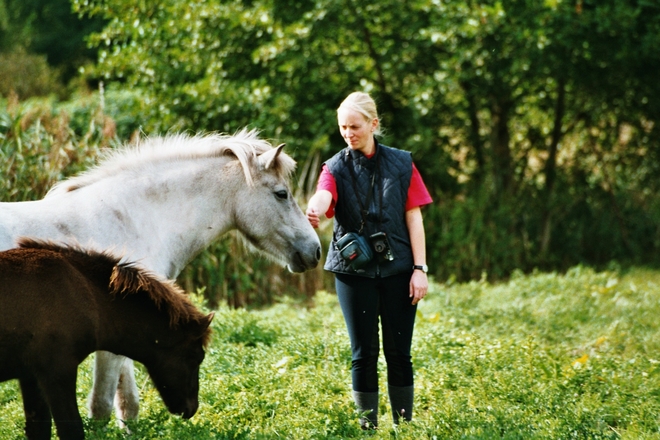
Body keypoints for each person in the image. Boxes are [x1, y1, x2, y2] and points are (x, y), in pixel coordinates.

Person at [306, 91, 432, 429]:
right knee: (363, 355)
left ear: (373, 124)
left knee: (399, 354)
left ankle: (404, 429)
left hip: (399, 270)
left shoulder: (402, 163)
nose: (348, 134)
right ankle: (368, 430)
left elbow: (414, 217)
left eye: (355, 127)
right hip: (353, 273)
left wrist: (419, 269)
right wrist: (314, 209)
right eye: (343, 128)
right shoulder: (334, 166)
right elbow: (324, 194)